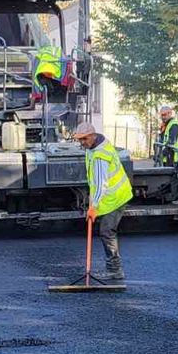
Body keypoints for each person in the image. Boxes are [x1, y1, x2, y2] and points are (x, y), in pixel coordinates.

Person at [73, 121, 133, 282]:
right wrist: (93, 203)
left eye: (84, 139)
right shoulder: (92, 148)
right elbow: (95, 182)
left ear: (92, 136)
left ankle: (115, 270)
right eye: (79, 139)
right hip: (108, 196)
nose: (82, 142)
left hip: (116, 197)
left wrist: (94, 207)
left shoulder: (100, 154)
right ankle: (113, 268)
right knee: (106, 231)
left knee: (107, 231)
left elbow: (101, 184)